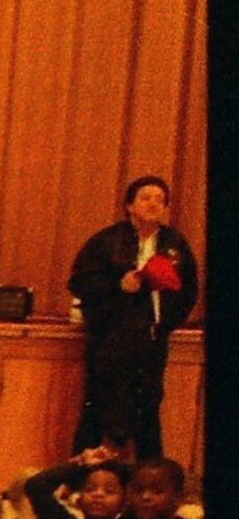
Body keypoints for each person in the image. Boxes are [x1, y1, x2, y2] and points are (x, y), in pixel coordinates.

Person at [67, 176, 198, 460]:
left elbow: (190, 290)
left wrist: (165, 324)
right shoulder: (106, 241)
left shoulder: (174, 244)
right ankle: (79, 480)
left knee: (148, 410)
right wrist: (117, 284)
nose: (153, 204)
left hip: (152, 339)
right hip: (110, 341)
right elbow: (79, 282)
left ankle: (151, 484)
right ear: (130, 205)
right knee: (97, 410)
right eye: (146, 198)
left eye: (160, 200)